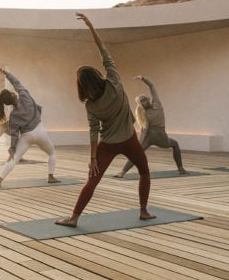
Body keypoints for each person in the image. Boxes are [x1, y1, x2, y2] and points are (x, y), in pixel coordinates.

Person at [56, 13, 155, 227]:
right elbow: (103, 51)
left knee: (92, 180)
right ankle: (144, 211)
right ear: (97, 75)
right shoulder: (114, 81)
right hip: (129, 139)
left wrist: (92, 158)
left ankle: (74, 217)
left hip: (107, 145)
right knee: (145, 172)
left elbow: (93, 131)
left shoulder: (90, 105)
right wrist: (90, 25)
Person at [0, 67, 59, 187]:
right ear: (13, 95)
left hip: (26, 136)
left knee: (13, 159)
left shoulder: (14, 116)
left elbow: (15, 136)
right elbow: (17, 83)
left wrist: (12, 151)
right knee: (52, 153)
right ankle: (51, 177)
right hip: (40, 131)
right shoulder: (24, 96)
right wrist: (6, 73)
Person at [113, 76, 186, 177]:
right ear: (147, 100)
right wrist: (142, 78)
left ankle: (122, 172)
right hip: (161, 136)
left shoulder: (144, 114)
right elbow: (151, 86)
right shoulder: (156, 103)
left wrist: (140, 143)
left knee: (137, 154)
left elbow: (145, 130)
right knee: (175, 144)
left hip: (149, 136)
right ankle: (181, 169)